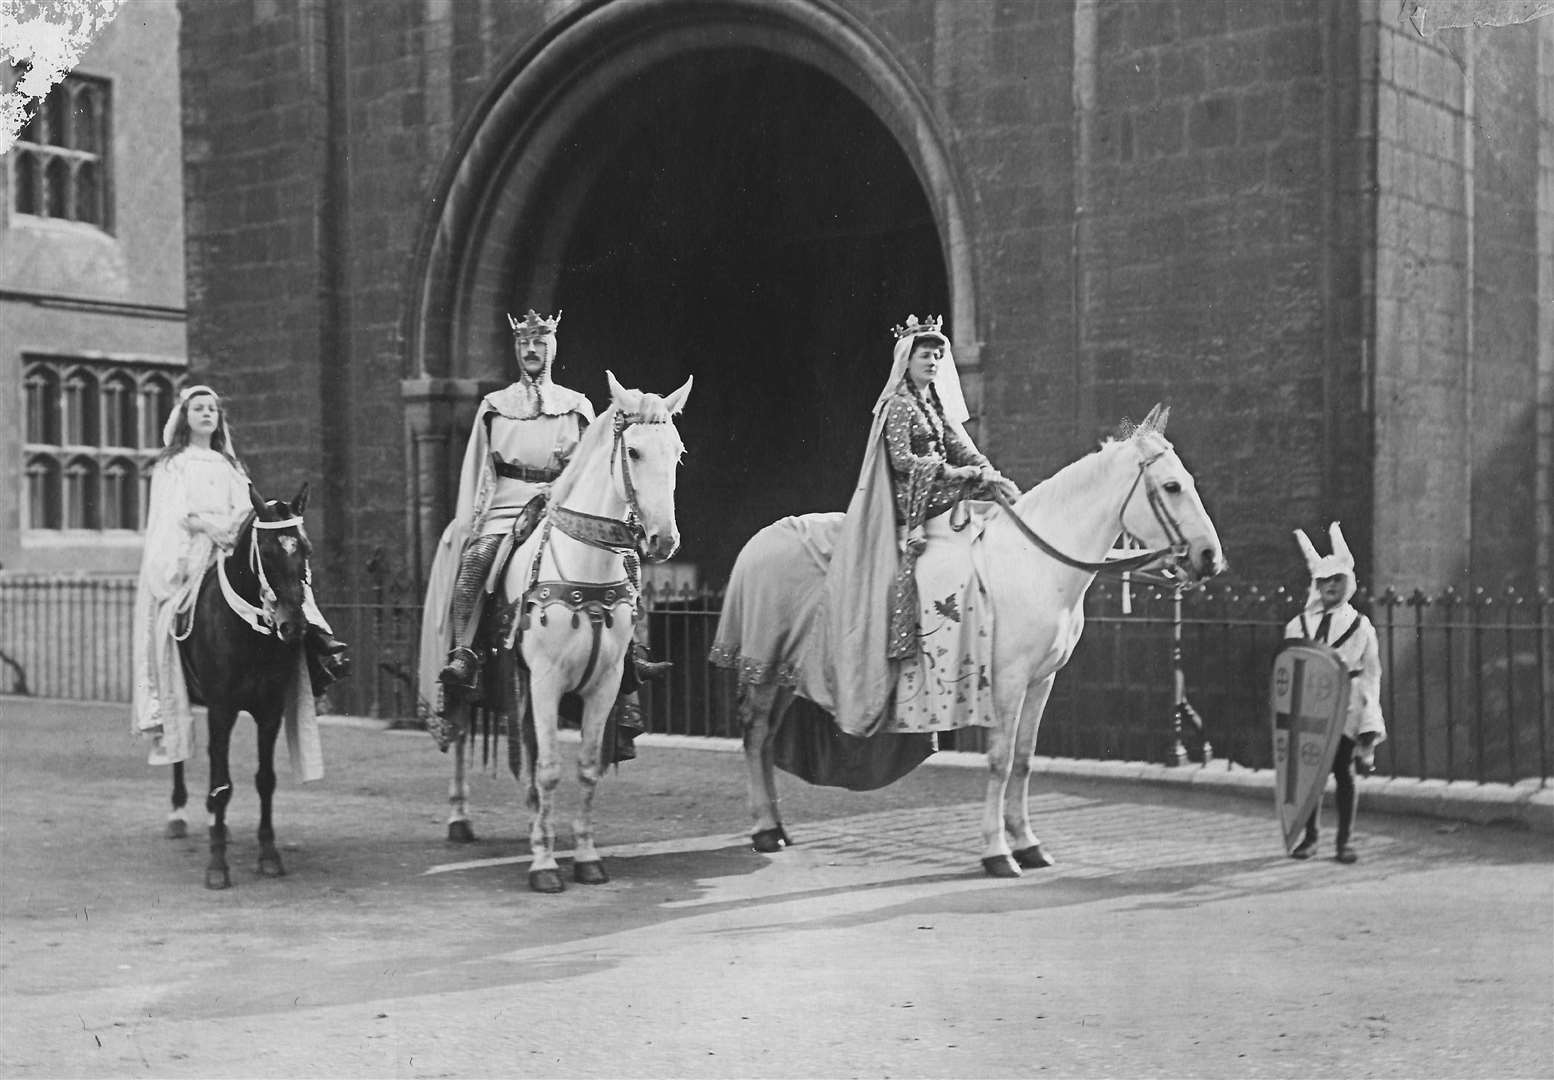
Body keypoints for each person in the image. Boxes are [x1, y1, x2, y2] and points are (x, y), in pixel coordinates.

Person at [417, 310, 667, 759]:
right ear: (516, 350)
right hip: (506, 504)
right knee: (476, 564)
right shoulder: (495, 406)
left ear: (553, 347)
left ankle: (631, 652)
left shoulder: (577, 406)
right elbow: (480, 468)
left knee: (626, 561)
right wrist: (474, 520)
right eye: (524, 344)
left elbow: (596, 463)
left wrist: (568, 494)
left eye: (540, 342)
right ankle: (464, 654)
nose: (532, 351)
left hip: (561, 501)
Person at [811, 314, 1019, 736]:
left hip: (940, 485)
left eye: (939, 356)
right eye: (926, 355)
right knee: (973, 494)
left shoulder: (934, 403)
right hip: (914, 497)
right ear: (907, 359)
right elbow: (903, 461)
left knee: (995, 495)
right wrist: (954, 474)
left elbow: (961, 444)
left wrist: (985, 469)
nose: (934, 362)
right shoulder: (899, 404)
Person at [131, 385, 350, 766]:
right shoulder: (174, 463)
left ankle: (319, 649)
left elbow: (245, 505)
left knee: (284, 576)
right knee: (174, 612)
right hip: (192, 548)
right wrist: (205, 526)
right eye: (198, 409)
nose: (206, 415)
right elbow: (172, 511)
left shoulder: (228, 464)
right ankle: (178, 666)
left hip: (231, 543)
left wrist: (242, 528)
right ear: (185, 417)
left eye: (212, 409)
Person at [1284, 522, 1387, 864]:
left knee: (1343, 770)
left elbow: (1371, 673)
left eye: (1337, 580)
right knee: (1311, 771)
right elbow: (1290, 667)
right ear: (1315, 585)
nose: (1330, 586)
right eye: (1324, 581)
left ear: (1348, 583)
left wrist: (1370, 718)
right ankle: (1310, 837)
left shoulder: (1360, 626)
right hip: (1312, 706)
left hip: (1346, 707)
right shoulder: (1299, 625)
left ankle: (1344, 841)